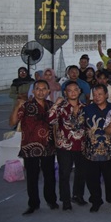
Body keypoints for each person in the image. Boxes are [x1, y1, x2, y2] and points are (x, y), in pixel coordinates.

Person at [10, 80, 57, 215]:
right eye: (38, 89)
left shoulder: (51, 105)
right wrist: (17, 106)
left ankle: (51, 201)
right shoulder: (26, 106)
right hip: (30, 147)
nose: (41, 91)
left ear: (48, 91)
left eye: (44, 89)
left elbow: (56, 125)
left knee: (49, 176)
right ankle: (33, 204)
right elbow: (12, 122)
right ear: (33, 91)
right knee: (32, 177)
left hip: (48, 147)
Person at [48, 81, 87, 210]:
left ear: (79, 91)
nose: (73, 93)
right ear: (65, 93)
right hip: (64, 146)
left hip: (81, 145)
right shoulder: (61, 107)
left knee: (81, 172)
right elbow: (50, 120)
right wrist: (56, 104)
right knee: (65, 173)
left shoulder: (85, 107)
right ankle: (65, 200)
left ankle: (78, 195)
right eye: (69, 90)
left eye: (75, 90)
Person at [84, 84, 111, 212]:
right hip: (92, 150)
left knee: (110, 177)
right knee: (92, 178)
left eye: (100, 94)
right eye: (95, 94)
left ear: (106, 95)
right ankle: (96, 200)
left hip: (110, 150)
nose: (97, 97)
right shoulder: (87, 109)